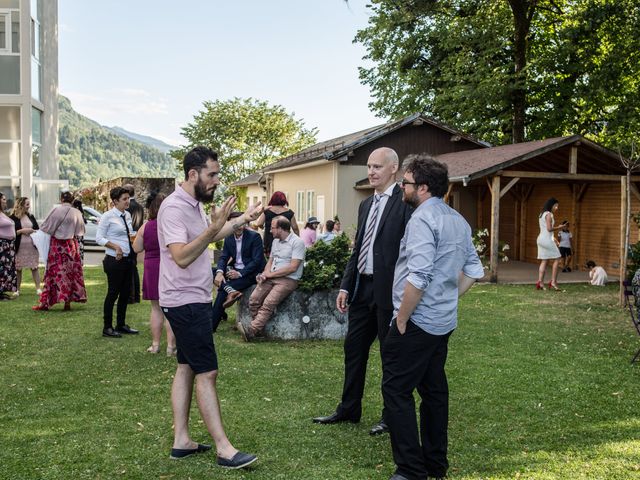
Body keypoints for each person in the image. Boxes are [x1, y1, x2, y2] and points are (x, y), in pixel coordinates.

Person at [158, 146, 261, 468]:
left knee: (187, 367)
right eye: (212, 174)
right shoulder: (174, 208)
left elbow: (210, 236)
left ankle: (182, 441)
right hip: (185, 301)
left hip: (193, 298)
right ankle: (224, 448)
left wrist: (243, 219)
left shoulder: (194, 204)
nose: (217, 180)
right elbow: (182, 256)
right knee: (208, 371)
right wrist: (213, 228)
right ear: (193, 174)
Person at [383, 155, 484, 480]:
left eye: (406, 183)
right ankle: (435, 464)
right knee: (434, 391)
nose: (402, 187)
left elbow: (419, 275)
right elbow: (474, 270)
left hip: (416, 323)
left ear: (422, 188)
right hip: (442, 323)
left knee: (396, 391)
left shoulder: (422, 220)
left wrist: (401, 318)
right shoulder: (456, 218)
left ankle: (411, 470)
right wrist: (449, 298)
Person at [313, 147, 413, 437]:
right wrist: (346, 284)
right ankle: (349, 408)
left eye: (377, 166)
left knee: (389, 355)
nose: (370, 172)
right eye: (368, 166)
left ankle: (390, 416)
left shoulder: (404, 202)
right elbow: (359, 249)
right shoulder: (366, 205)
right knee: (353, 349)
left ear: (393, 169)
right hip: (362, 289)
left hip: (390, 291)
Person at [238, 216, 305, 341]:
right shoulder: (275, 242)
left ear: (281, 229)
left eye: (272, 228)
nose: (270, 231)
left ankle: (251, 331)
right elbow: (270, 260)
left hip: (288, 279)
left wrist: (270, 275)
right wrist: (265, 273)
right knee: (253, 299)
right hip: (271, 276)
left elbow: (293, 267)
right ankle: (259, 333)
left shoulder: (297, 242)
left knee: (268, 303)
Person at [132, 191, 176, 355]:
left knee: (156, 308)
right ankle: (171, 347)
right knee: (170, 308)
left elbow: (136, 248)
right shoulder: (172, 224)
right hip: (169, 265)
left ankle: (156, 345)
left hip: (152, 266)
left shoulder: (146, 226)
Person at [212, 211, 265, 331]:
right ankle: (231, 291)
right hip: (235, 270)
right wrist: (220, 272)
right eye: (237, 223)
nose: (240, 226)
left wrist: (239, 273)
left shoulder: (254, 237)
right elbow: (224, 257)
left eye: (242, 223)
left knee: (222, 291)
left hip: (250, 274)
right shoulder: (229, 237)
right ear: (230, 224)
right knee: (212, 271)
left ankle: (211, 326)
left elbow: (257, 261)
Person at [96, 187, 139, 338]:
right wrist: (116, 247)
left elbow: (129, 234)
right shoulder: (107, 216)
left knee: (126, 293)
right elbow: (99, 238)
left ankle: (121, 324)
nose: (128, 201)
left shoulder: (127, 215)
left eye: (128, 198)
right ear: (115, 201)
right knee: (113, 293)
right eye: (124, 199)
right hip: (114, 260)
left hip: (128, 259)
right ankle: (107, 327)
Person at [33, 191, 87, 311]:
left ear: (61, 199)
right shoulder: (77, 212)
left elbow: (45, 228)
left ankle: (46, 302)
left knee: (54, 273)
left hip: (57, 246)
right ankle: (67, 302)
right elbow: (80, 232)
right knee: (70, 273)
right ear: (72, 200)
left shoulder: (56, 210)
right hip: (71, 245)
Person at [10, 197, 41, 295]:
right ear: (21, 205)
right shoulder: (13, 218)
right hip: (19, 247)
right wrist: (22, 231)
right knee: (18, 269)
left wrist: (32, 231)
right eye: (27, 204)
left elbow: (37, 229)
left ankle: (38, 289)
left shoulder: (31, 216)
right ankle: (17, 290)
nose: (29, 206)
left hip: (32, 246)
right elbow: (11, 233)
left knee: (34, 267)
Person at [253, 191, 299, 256]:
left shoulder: (267, 211)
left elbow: (260, 223)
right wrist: (297, 238)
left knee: (269, 259)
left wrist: (263, 227)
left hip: (269, 239)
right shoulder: (289, 212)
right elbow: (295, 228)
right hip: (285, 240)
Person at [536, 197, 565, 291]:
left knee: (544, 261)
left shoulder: (541, 214)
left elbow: (545, 230)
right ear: (551, 205)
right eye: (556, 206)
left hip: (541, 239)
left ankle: (540, 282)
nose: (556, 208)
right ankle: (553, 282)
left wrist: (554, 239)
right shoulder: (549, 214)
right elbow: (549, 229)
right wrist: (559, 227)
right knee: (558, 258)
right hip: (546, 240)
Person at [124, 184, 143, 304]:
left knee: (128, 269)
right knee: (133, 267)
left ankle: (130, 296)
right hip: (137, 238)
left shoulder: (127, 206)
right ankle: (136, 295)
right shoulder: (140, 207)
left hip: (128, 239)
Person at [0, 192, 18, 300]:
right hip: (2, 245)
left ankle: (2, 290)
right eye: (3, 199)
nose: (5, 201)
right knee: (2, 268)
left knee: (7, 268)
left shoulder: (2, 213)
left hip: (8, 245)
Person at [72, 199, 86, 263]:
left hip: (75, 235)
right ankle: (80, 262)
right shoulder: (81, 213)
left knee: (75, 250)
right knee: (80, 250)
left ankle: (76, 262)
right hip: (81, 235)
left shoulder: (75, 213)